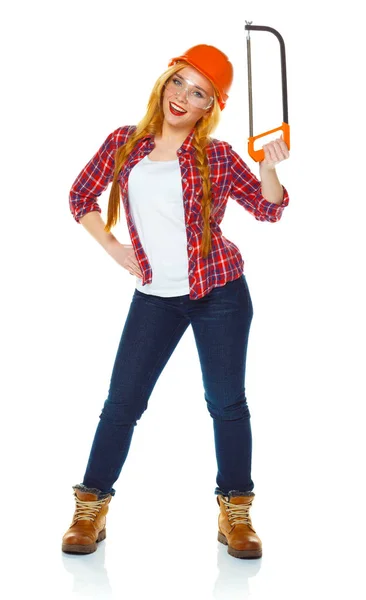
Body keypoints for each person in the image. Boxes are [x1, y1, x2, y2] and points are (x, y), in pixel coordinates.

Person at [62, 44, 290, 560]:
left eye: (199, 92)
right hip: (155, 300)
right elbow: (80, 197)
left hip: (221, 294)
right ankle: (90, 508)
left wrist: (270, 167)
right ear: (165, 83)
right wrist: (114, 247)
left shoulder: (217, 154)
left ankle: (236, 513)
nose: (183, 97)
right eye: (179, 82)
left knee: (227, 404)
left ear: (211, 105)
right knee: (121, 404)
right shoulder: (126, 143)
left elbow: (268, 209)